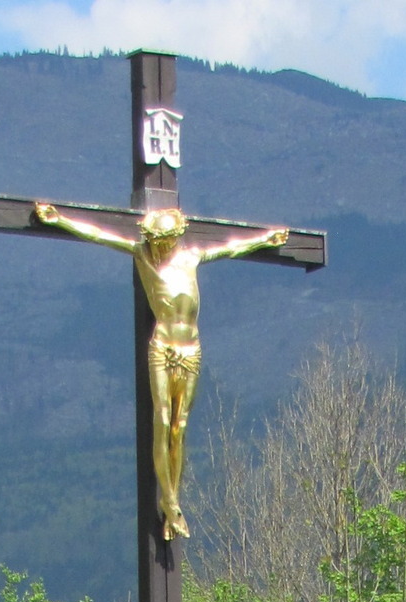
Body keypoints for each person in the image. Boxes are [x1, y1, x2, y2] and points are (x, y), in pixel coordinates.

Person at [35, 202, 289, 540]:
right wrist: (60, 219)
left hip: (191, 348)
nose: (158, 245)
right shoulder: (142, 254)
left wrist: (266, 240)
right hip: (163, 346)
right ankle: (170, 503)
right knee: (163, 419)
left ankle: (174, 500)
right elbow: (99, 234)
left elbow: (231, 247)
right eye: (154, 239)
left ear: (175, 237)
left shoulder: (192, 256)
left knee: (179, 427)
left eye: (163, 239)